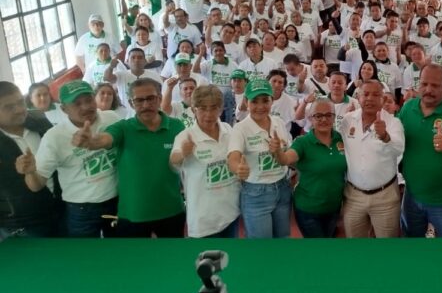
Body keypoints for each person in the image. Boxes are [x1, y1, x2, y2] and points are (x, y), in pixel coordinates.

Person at [71, 78, 186, 237]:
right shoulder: (123, 128)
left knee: (172, 259)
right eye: (139, 100)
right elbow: (106, 139)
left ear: (159, 98)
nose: (145, 105)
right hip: (132, 214)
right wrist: (91, 142)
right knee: (134, 261)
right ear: (131, 104)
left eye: (151, 98)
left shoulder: (177, 127)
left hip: (172, 210)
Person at [19, 81, 120, 237]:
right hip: (82, 210)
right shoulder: (54, 137)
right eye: (77, 103)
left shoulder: (112, 119)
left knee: (121, 251)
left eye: (88, 100)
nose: (86, 107)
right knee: (83, 257)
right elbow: (36, 185)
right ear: (64, 109)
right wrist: (31, 172)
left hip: (117, 201)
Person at [398, 64, 442, 237]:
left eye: (435, 85)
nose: (428, 89)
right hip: (412, 195)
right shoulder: (408, 108)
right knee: (412, 245)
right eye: (424, 84)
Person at [170, 85, 240, 238]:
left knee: (232, 259)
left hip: (231, 213)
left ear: (221, 109)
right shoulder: (185, 136)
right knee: (207, 261)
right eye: (202, 108)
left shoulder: (228, 129)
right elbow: (173, 161)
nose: (208, 114)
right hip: (204, 221)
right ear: (194, 109)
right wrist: (183, 153)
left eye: (214, 108)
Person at [271, 98, 346, 238]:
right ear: (310, 118)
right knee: (317, 251)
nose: (324, 119)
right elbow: (285, 159)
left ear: (334, 117)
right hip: (308, 209)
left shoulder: (341, 139)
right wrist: (277, 152)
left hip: (334, 207)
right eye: (318, 115)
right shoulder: (303, 142)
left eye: (328, 115)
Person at [227, 79, 293, 238]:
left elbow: (288, 150)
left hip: (283, 188)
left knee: (283, 240)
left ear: (272, 101)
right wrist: (238, 168)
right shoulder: (241, 128)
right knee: (261, 248)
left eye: (265, 100)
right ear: (246, 102)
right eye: (254, 101)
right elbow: (233, 157)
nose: (260, 106)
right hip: (256, 194)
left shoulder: (278, 122)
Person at [338, 81, 404, 238]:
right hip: (353, 196)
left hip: (385, 198)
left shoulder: (393, 123)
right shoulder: (347, 120)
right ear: (358, 97)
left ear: (383, 99)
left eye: (376, 95)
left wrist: (385, 136)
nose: (370, 99)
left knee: (386, 248)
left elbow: (399, 150)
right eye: (365, 94)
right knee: (356, 247)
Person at [2, 81, 59, 238]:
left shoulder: (39, 120)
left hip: (61, 210)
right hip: (21, 225)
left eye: (20, 102)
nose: (19, 110)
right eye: (9, 107)